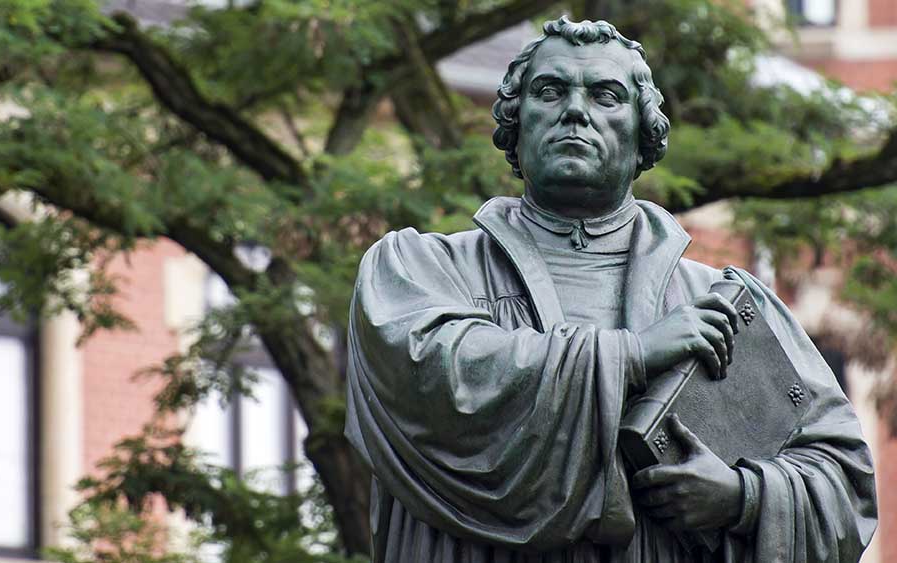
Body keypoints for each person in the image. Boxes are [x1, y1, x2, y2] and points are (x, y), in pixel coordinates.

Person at [344, 16, 877, 563]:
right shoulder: (421, 272)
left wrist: (742, 498)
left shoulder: (724, 304)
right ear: (515, 123)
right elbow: (432, 373)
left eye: (605, 96)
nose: (575, 111)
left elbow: (845, 484)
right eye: (549, 91)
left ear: (643, 138)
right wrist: (632, 354)